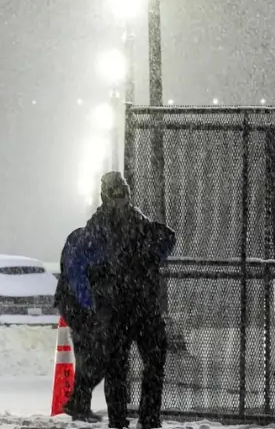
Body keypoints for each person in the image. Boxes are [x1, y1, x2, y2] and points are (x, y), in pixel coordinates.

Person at [66, 171, 175, 429]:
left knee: (134, 363)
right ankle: (133, 418)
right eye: (117, 195)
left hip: (125, 307)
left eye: (123, 194)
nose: (121, 200)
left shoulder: (122, 223)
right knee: (127, 365)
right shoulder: (113, 225)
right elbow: (164, 240)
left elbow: (165, 240)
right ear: (107, 196)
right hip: (127, 307)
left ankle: (134, 418)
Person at [54, 224, 105, 421]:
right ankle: (79, 402)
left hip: (73, 303)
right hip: (78, 306)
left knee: (89, 354)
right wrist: (90, 307)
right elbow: (77, 277)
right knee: (95, 354)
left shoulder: (82, 237)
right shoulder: (92, 242)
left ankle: (79, 403)